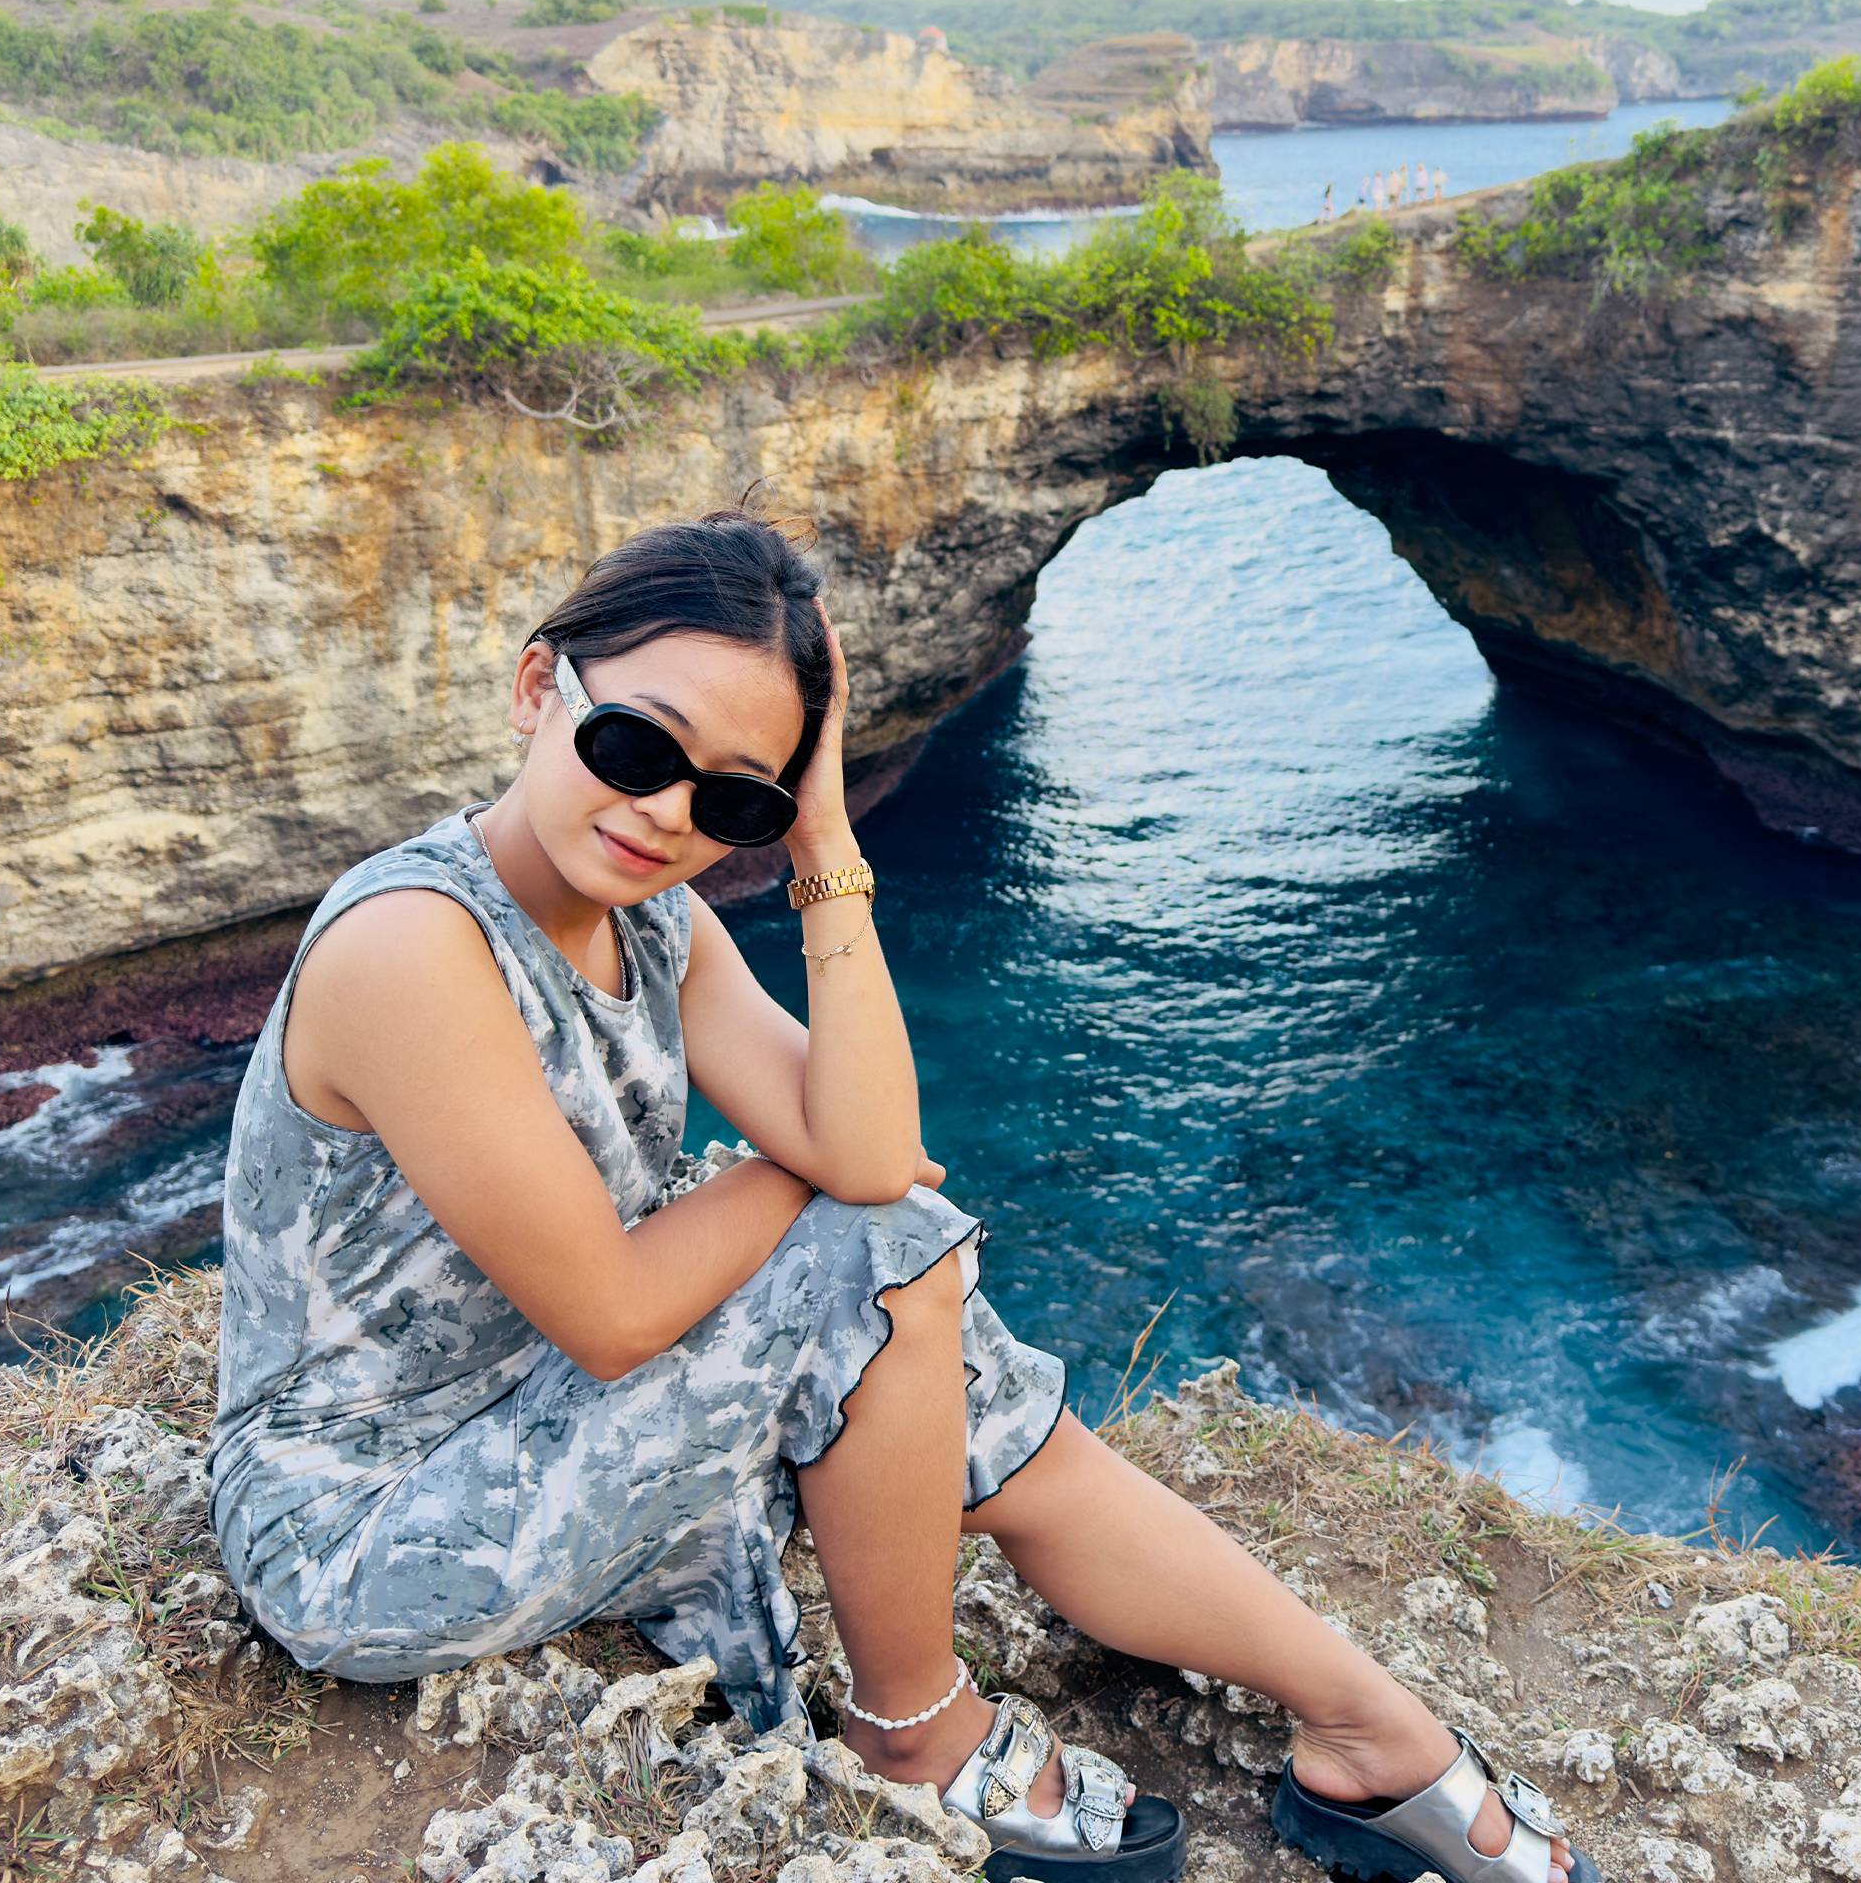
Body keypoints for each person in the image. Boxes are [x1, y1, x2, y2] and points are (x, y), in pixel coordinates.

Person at [207, 511, 1595, 1883]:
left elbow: (868, 1150)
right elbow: (623, 1311)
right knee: (878, 1266)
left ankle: (1364, 1725)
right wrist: (790, 1175)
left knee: (933, 1326)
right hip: (364, 1525)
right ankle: (915, 1735)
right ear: (535, 689)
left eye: (733, 798)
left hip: (535, 1418)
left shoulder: (653, 916)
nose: (664, 813)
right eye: (634, 744)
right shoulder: (413, 945)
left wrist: (820, 847)